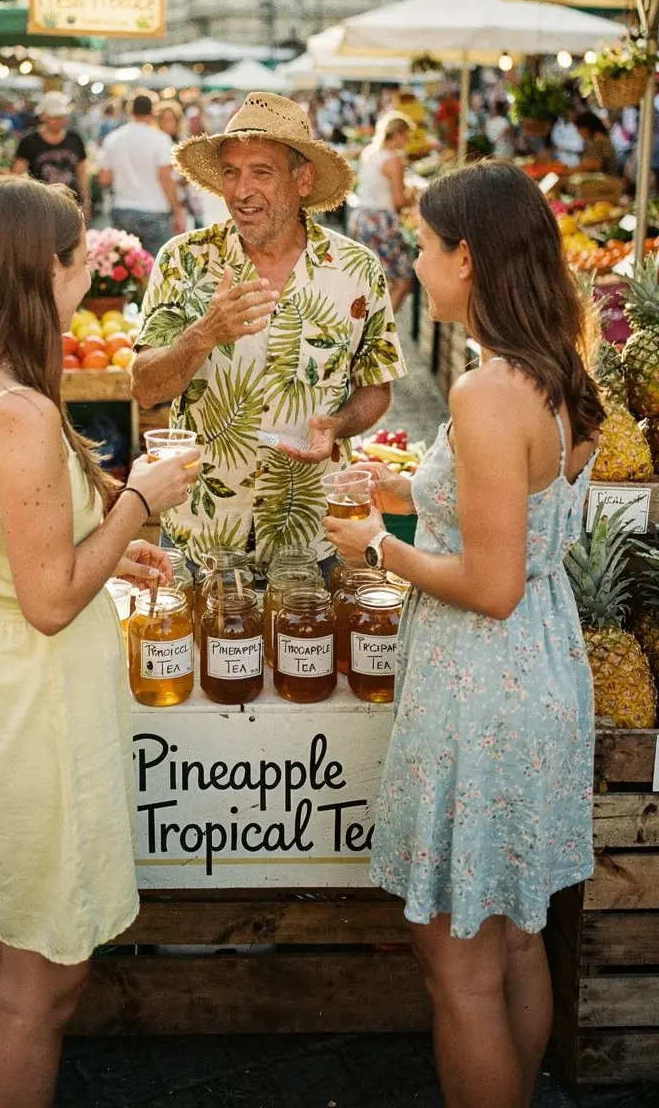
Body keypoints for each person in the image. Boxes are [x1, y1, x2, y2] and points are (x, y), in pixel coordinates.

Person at [325, 160, 603, 1108]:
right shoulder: (558, 376)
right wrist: (401, 492)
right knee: (517, 938)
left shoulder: (486, 394)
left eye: (425, 245)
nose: (415, 261)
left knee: (460, 969)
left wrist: (374, 547)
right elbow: (507, 517)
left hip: (483, 684)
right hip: (546, 671)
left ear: (469, 258)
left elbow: (487, 584)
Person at [0, 176, 200, 1108]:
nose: (90, 278)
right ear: (46, 270)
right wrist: (140, 502)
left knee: (13, 957)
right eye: (82, 260)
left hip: (0, 689)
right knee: (44, 982)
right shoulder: (24, 414)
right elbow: (47, 604)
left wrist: (111, 555)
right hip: (35, 711)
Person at [132, 91, 406, 573]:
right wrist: (203, 334)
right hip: (203, 536)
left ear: (302, 180)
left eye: (262, 172)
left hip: (314, 537)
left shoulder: (356, 270)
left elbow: (376, 387)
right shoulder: (183, 260)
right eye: (231, 173)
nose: (241, 191)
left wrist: (337, 425)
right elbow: (145, 387)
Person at [99, 91, 185, 258]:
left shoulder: (112, 139)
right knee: (157, 269)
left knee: (126, 269)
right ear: (152, 112)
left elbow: (104, 179)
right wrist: (177, 210)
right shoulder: (160, 139)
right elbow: (166, 179)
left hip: (122, 209)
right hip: (155, 210)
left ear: (130, 111)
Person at [348, 111, 415, 312]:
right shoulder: (394, 160)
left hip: (362, 218)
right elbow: (398, 201)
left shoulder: (369, 153)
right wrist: (412, 196)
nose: (407, 141)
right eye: (406, 135)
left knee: (373, 280)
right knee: (403, 281)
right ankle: (383, 331)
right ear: (398, 134)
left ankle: (369, 327)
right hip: (381, 222)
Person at [14, 92, 90, 222]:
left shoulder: (74, 139)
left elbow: (81, 171)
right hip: (39, 208)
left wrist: (86, 200)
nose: (61, 121)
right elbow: (18, 174)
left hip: (70, 205)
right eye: (56, 117)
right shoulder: (29, 141)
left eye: (63, 117)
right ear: (43, 116)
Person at [575, 110, 619, 176]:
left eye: (579, 129)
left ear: (586, 128)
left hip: (606, 181)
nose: (579, 133)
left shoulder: (599, 140)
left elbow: (595, 166)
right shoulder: (597, 139)